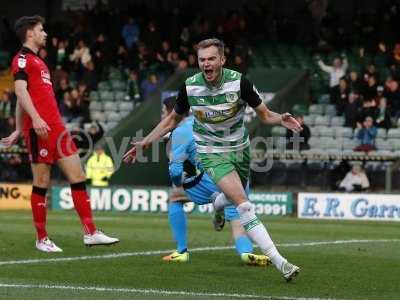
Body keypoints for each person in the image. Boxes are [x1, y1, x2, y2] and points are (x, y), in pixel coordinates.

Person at [124, 38, 301, 281]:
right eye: (202, 60)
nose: (206, 64)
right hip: (211, 152)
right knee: (244, 205)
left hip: (240, 150)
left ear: (222, 60)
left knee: (228, 200)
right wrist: (144, 143)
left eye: (211, 59)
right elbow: (171, 121)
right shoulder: (190, 87)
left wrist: (282, 118)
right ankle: (281, 262)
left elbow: (265, 114)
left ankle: (218, 206)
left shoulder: (239, 83)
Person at [0, 15, 119, 252]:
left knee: (78, 176)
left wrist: (17, 129)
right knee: (41, 182)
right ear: (30, 33)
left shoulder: (39, 62)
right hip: (40, 129)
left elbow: (25, 98)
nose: (45, 34)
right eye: (41, 30)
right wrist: (30, 123)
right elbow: (20, 94)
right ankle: (42, 238)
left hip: (57, 129)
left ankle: (90, 232)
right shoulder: (22, 59)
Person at [161, 96, 269, 266]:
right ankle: (246, 252)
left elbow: (175, 171)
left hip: (210, 176)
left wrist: (178, 181)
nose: (162, 117)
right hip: (238, 176)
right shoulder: (208, 122)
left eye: (163, 113)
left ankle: (181, 251)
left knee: (175, 198)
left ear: (171, 113)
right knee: (237, 219)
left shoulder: (180, 132)